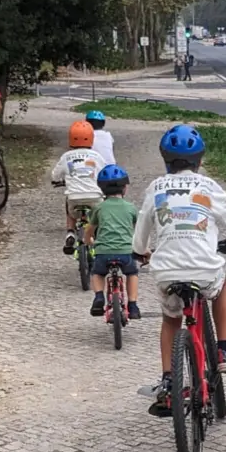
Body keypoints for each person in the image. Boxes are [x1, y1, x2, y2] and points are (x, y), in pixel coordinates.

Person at [132, 124, 226, 414]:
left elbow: (141, 230)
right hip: (204, 269)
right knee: (222, 284)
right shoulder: (208, 187)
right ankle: (223, 347)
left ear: (165, 159)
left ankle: (168, 380)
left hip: (166, 271)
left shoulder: (156, 187)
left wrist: (140, 252)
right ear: (199, 160)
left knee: (171, 320)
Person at [84, 165, 141, 320]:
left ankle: (98, 297)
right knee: (132, 273)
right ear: (124, 188)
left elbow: (90, 228)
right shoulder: (130, 208)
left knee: (97, 273)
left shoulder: (99, 208)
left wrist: (88, 240)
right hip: (126, 252)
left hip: (103, 252)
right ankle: (133, 305)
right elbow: (139, 231)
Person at [51, 121, 104, 255]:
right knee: (98, 218)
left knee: (69, 206)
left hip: (74, 198)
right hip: (94, 197)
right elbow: (105, 172)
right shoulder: (97, 156)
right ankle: (99, 238)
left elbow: (54, 175)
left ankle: (70, 233)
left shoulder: (66, 156)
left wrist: (57, 181)